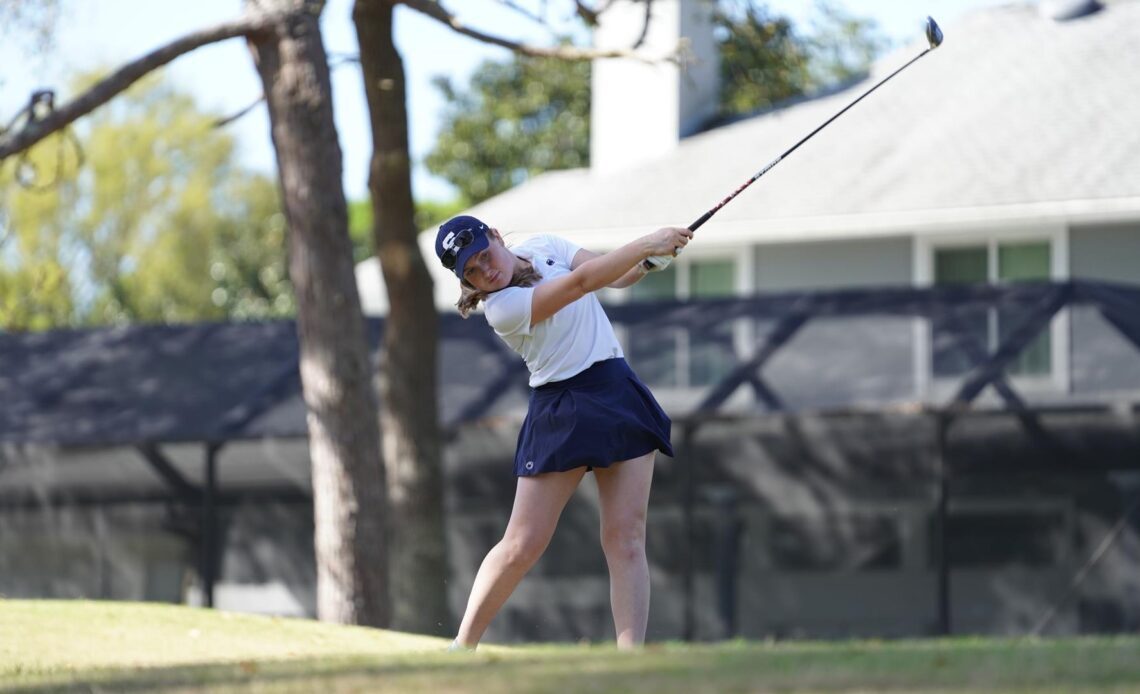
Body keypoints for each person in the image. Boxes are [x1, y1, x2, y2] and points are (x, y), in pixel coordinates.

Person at [436, 215, 692, 651]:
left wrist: (650, 260)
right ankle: (462, 647)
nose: (486, 271)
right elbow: (581, 284)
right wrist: (648, 238)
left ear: (496, 235)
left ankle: (630, 661)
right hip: (563, 406)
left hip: (616, 389)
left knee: (626, 537)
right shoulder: (503, 308)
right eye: (473, 272)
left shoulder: (545, 244)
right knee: (523, 543)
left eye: (485, 255)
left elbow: (618, 275)